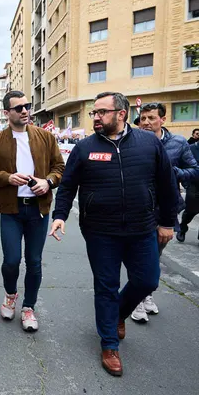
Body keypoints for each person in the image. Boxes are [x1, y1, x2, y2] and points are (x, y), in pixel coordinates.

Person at [49, 92, 177, 377]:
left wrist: (168, 222)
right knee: (106, 286)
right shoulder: (85, 147)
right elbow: (68, 186)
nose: (95, 117)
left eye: (101, 112)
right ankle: (109, 344)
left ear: (121, 113)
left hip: (142, 227)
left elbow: (167, 185)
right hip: (100, 231)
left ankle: (118, 313)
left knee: (147, 280)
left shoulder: (149, 143)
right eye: (94, 113)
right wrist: (59, 216)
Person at [0, 91, 65, 332]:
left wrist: (48, 182)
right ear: (6, 113)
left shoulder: (45, 137)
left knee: (34, 261)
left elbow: (59, 168)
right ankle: (10, 295)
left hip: (38, 210)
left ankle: (29, 306)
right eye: (18, 108)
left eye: (26, 106)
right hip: (11, 210)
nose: (24, 111)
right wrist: (7, 178)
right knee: (11, 261)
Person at [134, 102, 199, 321]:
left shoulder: (178, 143)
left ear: (162, 119)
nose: (146, 122)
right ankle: (136, 300)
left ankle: (147, 294)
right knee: (140, 256)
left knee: (155, 255)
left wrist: (173, 172)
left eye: (151, 118)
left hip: (166, 211)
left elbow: (194, 170)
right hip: (138, 208)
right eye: (143, 118)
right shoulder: (132, 141)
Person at [179, 142, 199, 242]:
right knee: (191, 210)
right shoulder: (191, 149)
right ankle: (183, 227)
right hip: (194, 185)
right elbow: (184, 166)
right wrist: (186, 183)